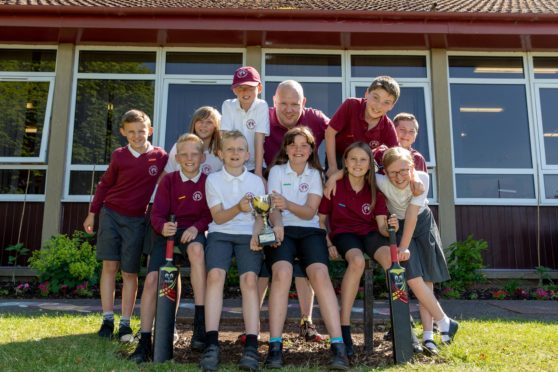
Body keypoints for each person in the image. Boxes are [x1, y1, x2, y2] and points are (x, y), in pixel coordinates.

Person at [264, 126, 349, 370]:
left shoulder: (315, 174)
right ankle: (275, 346)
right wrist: (278, 224)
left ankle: (338, 346)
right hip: (285, 230)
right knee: (281, 274)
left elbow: (310, 211)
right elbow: (273, 209)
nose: (298, 149)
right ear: (286, 149)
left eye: (304, 145)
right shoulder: (277, 171)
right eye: (293, 144)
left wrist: (286, 204)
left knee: (319, 275)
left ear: (312, 149)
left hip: (311, 231)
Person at [82, 109, 168, 342]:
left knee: (129, 272)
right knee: (110, 266)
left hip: (137, 220)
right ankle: (108, 319)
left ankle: (126, 323)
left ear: (150, 130)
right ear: (123, 133)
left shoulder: (161, 156)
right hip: (111, 214)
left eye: (141, 131)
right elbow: (104, 185)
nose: (137, 136)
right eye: (131, 132)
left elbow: (167, 181)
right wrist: (93, 214)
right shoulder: (119, 156)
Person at [129, 134, 212, 362]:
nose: (189, 158)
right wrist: (162, 226)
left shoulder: (208, 182)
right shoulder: (169, 181)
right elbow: (156, 215)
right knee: (153, 280)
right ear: (176, 157)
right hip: (167, 232)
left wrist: (197, 227)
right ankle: (145, 340)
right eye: (183, 154)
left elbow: (209, 215)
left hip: (192, 231)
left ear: (203, 157)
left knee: (197, 252)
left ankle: (199, 323)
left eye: (194, 154)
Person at [261, 79, 330, 342]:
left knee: (308, 263)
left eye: (294, 104)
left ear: (304, 104)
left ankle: (307, 321)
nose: (289, 109)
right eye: (283, 104)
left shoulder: (317, 119)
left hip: (304, 199)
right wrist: (259, 179)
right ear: (274, 103)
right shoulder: (262, 118)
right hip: (269, 194)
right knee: (266, 265)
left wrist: (334, 170)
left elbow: (339, 131)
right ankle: (252, 327)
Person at [318, 142, 402, 357]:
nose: (357, 163)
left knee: (391, 261)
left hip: (370, 233)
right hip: (344, 234)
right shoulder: (334, 187)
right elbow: (320, 221)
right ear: (345, 162)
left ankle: (401, 326)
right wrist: (328, 242)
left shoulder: (375, 189)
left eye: (363, 159)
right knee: (357, 261)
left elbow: (382, 227)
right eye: (353, 159)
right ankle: (344, 329)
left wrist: (391, 226)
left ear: (369, 164)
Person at [377, 147, 458, 355]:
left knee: (427, 280)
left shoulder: (422, 178)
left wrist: (404, 246)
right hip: (401, 227)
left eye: (404, 170)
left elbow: (413, 214)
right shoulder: (382, 181)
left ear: (412, 167)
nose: (399, 177)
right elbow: (360, 169)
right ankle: (445, 322)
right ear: (384, 172)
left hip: (421, 224)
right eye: (393, 172)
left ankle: (429, 337)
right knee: (413, 276)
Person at [200, 130, 266, 371]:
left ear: (248, 154)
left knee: (249, 280)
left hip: (248, 235)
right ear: (220, 153)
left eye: (240, 149)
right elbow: (217, 216)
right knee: (215, 276)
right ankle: (211, 343)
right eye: (230, 149)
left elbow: (261, 214)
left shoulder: (255, 181)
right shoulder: (213, 180)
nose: (235, 153)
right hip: (220, 232)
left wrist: (257, 234)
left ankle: (251, 344)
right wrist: (239, 207)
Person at [325, 76, 399, 178]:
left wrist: (414, 177)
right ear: (367, 93)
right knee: (333, 187)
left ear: (392, 106)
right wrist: (332, 167)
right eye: (375, 97)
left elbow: (398, 155)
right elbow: (330, 133)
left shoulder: (387, 127)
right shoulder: (351, 105)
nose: (378, 106)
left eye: (386, 102)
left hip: (363, 163)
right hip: (339, 157)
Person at [221, 66, 269, 178]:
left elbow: (259, 140)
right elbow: (225, 139)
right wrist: (228, 169)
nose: (245, 92)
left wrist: (258, 174)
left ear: (260, 88)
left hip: (255, 165)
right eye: (240, 88)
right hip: (233, 165)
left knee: (257, 195)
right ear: (234, 90)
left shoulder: (262, 106)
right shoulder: (228, 105)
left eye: (250, 88)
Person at [165, 106, 223, 175]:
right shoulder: (178, 147)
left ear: (216, 126)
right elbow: (166, 174)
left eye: (209, 122)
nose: (204, 125)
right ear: (194, 123)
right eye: (200, 121)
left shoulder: (222, 152)